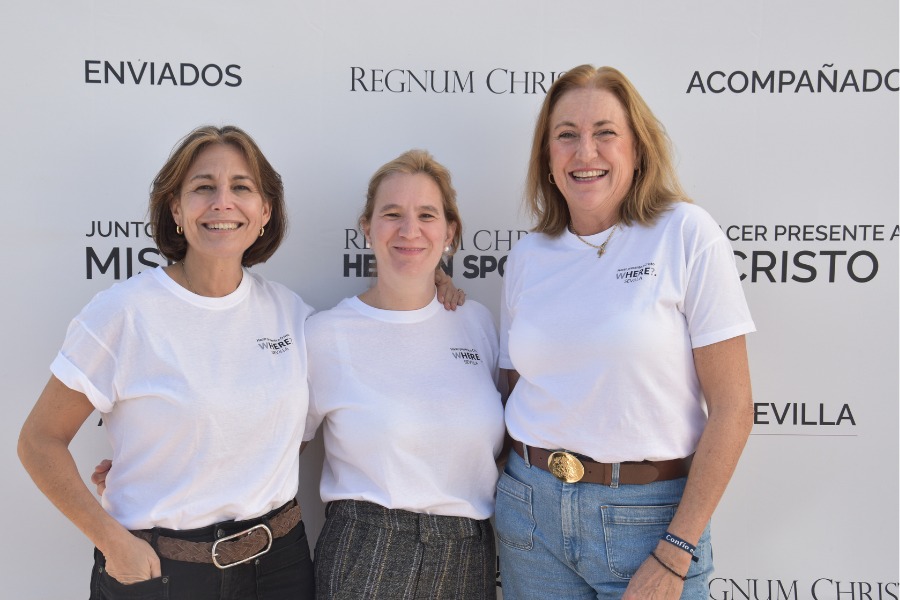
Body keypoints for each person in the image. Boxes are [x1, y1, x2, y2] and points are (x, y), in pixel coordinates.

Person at [18, 125, 317, 599]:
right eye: (203, 187)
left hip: (280, 566)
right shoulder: (124, 312)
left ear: (265, 211)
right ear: (176, 209)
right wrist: (114, 544)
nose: (223, 202)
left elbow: (287, 433)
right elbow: (38, 441)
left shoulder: (293, 314)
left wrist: (176, 460)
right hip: (159, 573)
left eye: (241, 187)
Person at [495, 65, 755, 599]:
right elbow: (510, 386)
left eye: (605, 133)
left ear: (637, 148)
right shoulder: (527, 258)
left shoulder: (686, 234)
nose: (584, 152)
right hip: (530, 511)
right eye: (566, 135)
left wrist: (677, 548)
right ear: (547, 156)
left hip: (650, 522)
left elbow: (734, 408)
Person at [303, 149, 505, 599]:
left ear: (449, 231)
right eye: (392, 214)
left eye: (426, 215)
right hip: (367, 549)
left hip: (469, 553)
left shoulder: (477, 323)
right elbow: (275, 451)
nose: (409, 230)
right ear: (367, 228)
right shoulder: (325, 335)